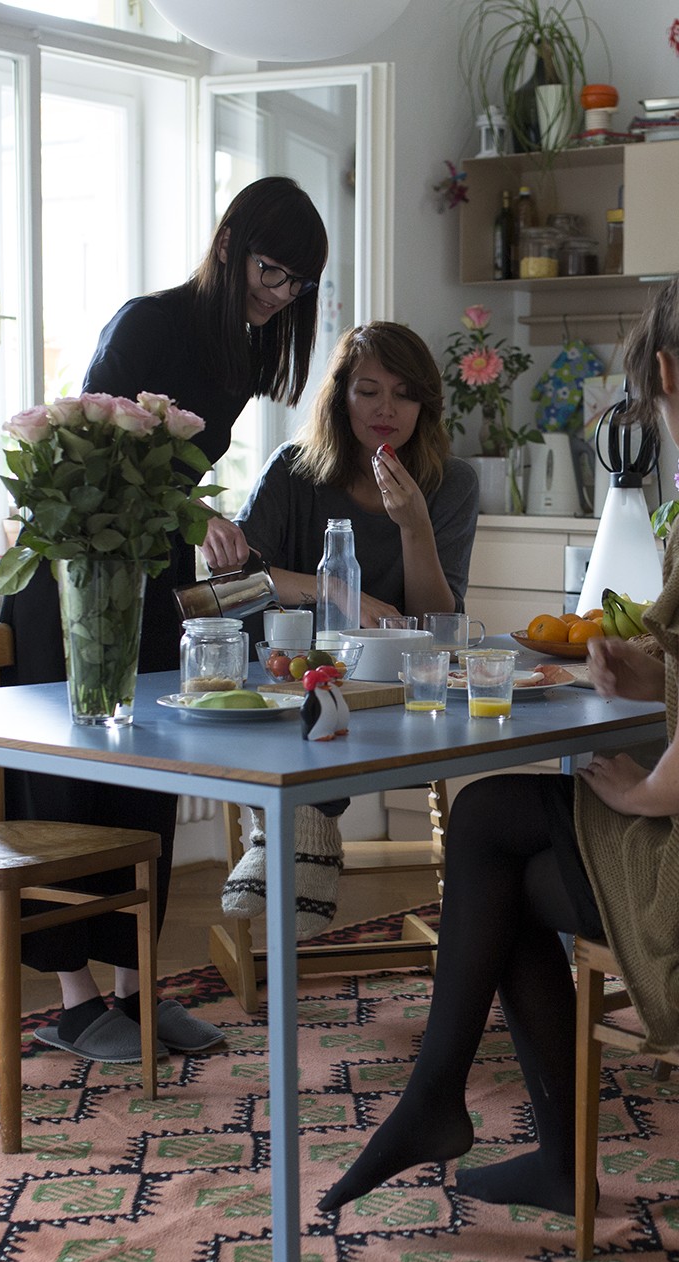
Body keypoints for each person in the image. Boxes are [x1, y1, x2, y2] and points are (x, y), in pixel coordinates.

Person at [318, 247, 679, 1216]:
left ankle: (465, 1114)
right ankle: (487, 1125)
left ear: (665, 372)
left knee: (490, 831)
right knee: (505, 852)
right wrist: (662, 671)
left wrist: (632, 790)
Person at [0, 175, 327, 1064]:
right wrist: (195, 513)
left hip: (150, 575)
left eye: (298, 281)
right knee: (69, 791)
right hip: (76, 576)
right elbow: (99, 463)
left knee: (146, 781)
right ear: (228, 245)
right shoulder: (148, 323)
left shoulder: (245, 355)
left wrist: (197, 520)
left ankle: (135, 992)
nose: (281, 293)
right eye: (270, 269)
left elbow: (173, 478)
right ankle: (73, 1002)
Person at [206, 321, 480, 933]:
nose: (387, 410)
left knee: (333, 701)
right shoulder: (294, 470)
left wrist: (415, 526)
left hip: (394, 689)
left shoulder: (452, 482)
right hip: (287, 675)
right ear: (340, 398)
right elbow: (235, 583)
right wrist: (336, 590)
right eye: (368, 391)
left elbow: (441, 628)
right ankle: (300, 840)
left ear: (425, 406)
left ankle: (285, 841)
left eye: (404, 394)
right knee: (292, 689)